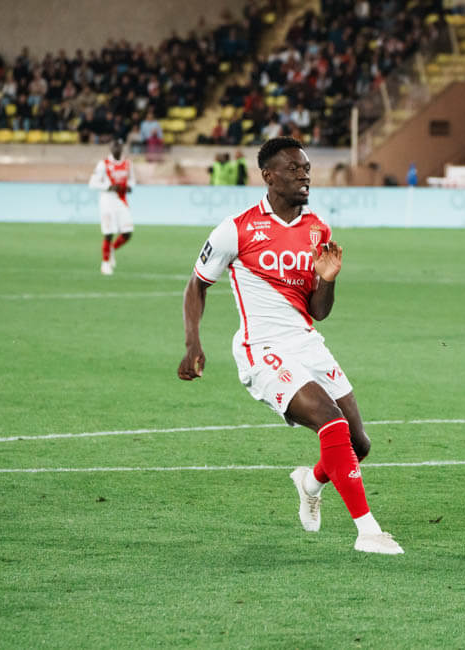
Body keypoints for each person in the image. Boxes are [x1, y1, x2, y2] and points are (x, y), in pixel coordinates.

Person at [177, 136, 403, 555]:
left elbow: (319, 311)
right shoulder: (237, 229)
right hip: (262, 348)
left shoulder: (318, 229)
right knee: (331, 422)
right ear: (269, 176)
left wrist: (328, 279)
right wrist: (193, 343)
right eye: (294, 169)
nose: (304, 176)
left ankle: (310, 482)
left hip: (306, 342)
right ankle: (368, 532)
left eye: (307, 169)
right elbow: (197, 284)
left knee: (359, 445)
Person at [87, 138, 135, 275]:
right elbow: (92, 183)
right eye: (114, 146)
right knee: (108, 233)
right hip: (107, 201)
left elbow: (132, 180)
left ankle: (112, 249)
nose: (116, 148)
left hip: (121, 200)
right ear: (110, 148)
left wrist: (130, 187)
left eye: (118, 146)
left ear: (122, 148)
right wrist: (108, 187)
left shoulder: (127, 163)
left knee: (127, 233)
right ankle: (105, 263)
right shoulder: (103, 164)